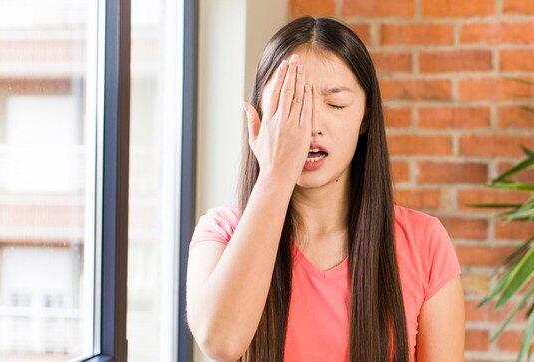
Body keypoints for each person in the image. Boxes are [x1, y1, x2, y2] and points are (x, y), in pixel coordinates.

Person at [186, 16, 465, 362]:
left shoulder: (424, 242)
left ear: (365, 116)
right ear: (258, 116)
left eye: (335, 104)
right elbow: (220, 343)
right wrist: (275, 173)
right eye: (289, 105)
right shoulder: (221, 233)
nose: (311, 126)